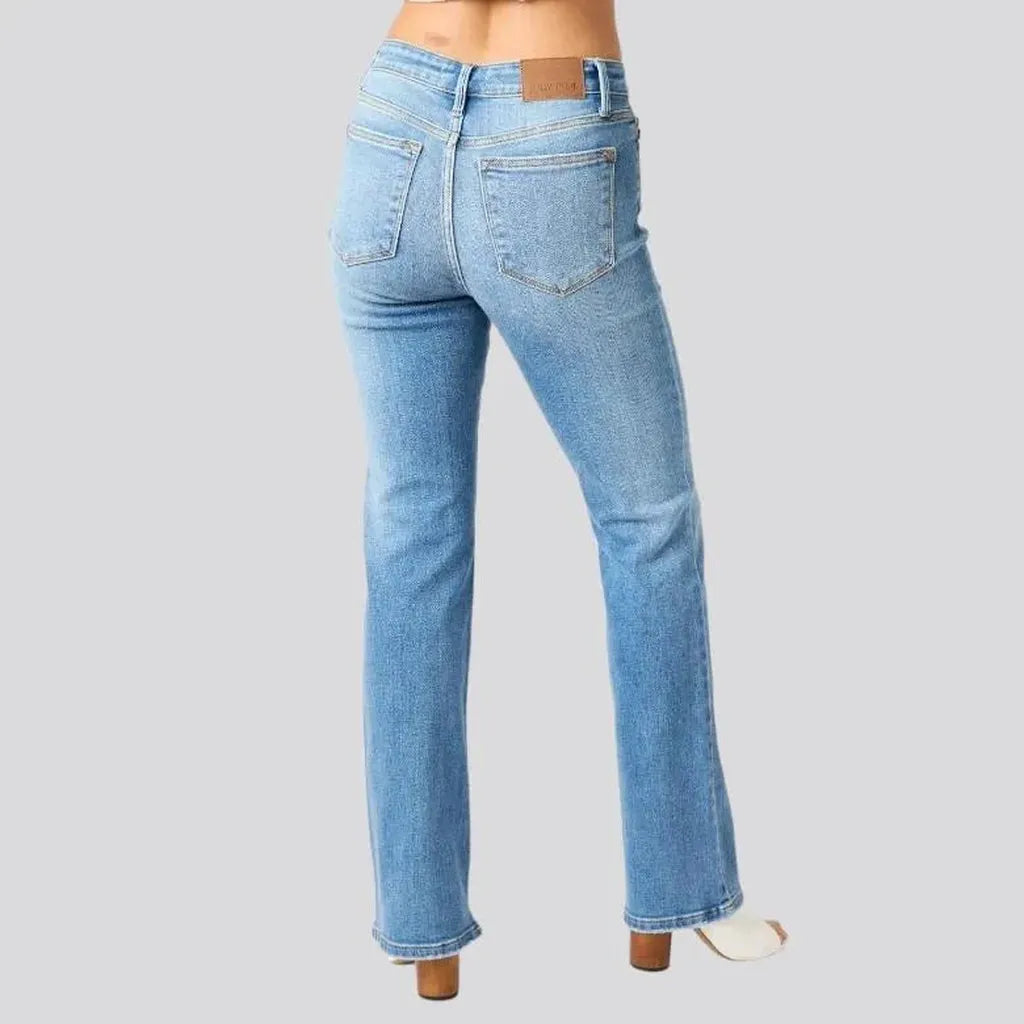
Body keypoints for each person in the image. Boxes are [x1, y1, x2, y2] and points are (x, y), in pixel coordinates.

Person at [327, 1, 787, 999]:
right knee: (646, 525)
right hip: (548, 127)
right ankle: (686, 893)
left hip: (392, 123)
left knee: (412, 540)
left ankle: (422, 928)